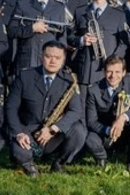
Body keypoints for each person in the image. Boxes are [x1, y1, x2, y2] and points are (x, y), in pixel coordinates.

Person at [5, 41, 87, 177]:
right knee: (18, 151)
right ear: (41, 57)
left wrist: (53, 129)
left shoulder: (69, 81)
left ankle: (59, 163)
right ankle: (28, 164)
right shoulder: (25, 77)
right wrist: (19, 133)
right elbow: (10, 108)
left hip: (54, 135)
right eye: (49, 56)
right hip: (28, 133)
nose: (53, 61)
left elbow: (76, 111)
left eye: (57, 58)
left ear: (63, 60)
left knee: (79, 131)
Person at [84, 56, 130, 171]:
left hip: (125, 130)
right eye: (109, 72)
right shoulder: (94, 90)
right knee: (89, 138)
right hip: (106, 132)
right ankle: (102, 158)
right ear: (104, 72)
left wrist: (122, 118)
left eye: (117, 72)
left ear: (124, 73)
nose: (113, 76)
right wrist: (109, 130)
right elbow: (91, 121)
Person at [69, 0, 128, 86]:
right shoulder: (80, 12)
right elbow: (70, 37)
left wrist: (114, 61)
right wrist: (81, 40)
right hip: (86, 69)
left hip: (108, 71)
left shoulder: (118, 14)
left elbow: (124, 43)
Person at [7, 0, 67, 73]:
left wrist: (61, 60)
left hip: (51, 61)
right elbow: (12, 31)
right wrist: (32, 28)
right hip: (27, 60)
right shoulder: (22, 4)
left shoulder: (59, 7)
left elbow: (62, 37)